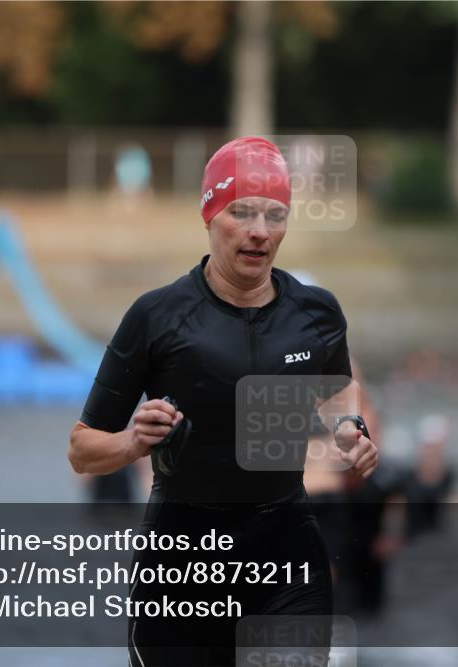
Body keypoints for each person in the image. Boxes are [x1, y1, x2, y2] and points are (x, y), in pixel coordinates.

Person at [68, 136, 378, 666]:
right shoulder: (158, 316)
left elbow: (336, 392)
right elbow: (81, 450)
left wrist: (350, 429)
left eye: (275, 215)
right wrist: (131, 442)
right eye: (243, 212)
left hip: (285, 555)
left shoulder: (317, 314)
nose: (260, 231)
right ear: (209, 215)